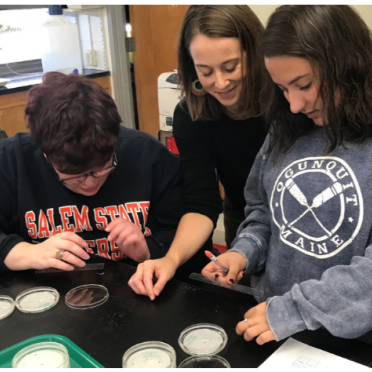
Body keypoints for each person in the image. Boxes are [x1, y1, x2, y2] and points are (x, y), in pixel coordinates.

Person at [201, 5, 372, 346]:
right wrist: (243, 252)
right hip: (270, 319)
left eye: (303, 84)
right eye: (282, 89)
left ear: (345, 64)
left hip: (346, 340)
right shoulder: (288, 127)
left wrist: (294, 310)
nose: (294, 104)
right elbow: (264, 213)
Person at [128, 5, 267, 300]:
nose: (220, 82)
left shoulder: (286, 97)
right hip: (244, 218)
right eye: (205, 72)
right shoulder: (192, 115)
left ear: (254, 54)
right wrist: (171, 259)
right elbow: (201, 202)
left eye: (231, 67)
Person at [0, 72, 184, 272]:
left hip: (134, 285)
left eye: (102, 169)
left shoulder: (147, 154)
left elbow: (184, 230)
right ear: (45, 154)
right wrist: (23, 252)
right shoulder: (11, 159)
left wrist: (150, 250)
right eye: (74, 175)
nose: (90, 184)